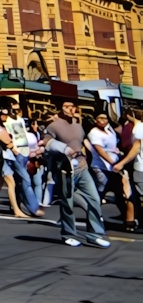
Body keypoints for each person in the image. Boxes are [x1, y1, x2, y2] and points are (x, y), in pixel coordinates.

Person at [43, 99, 110, 248]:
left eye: (72, 106)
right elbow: (46, 142)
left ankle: (95, 235)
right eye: (66, 106)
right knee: (67, 202)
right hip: (65, 168)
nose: (69, 109)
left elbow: (82, 142)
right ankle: (68, 234)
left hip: (83, 167)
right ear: (60, 108)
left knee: (94, 199)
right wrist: (65, 149)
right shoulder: (54, 125)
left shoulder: (78, 125)